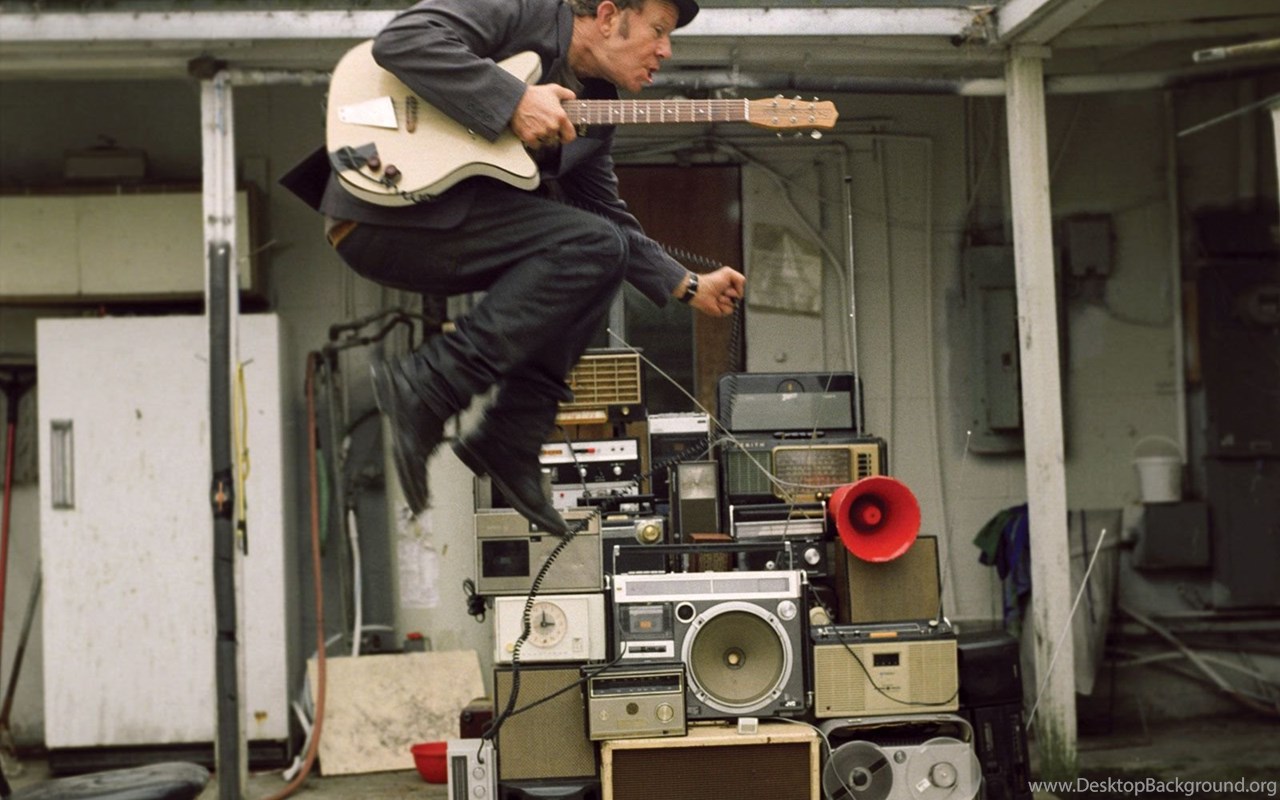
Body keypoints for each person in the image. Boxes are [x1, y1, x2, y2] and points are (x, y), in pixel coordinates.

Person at [285, 0, 746, 535]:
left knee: (601, 249)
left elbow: (605, 216)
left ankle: (511, 435)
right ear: (607, 15)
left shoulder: (596, 111)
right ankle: (430, 386)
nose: (665, 50)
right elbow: (403, 39)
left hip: (439, 233)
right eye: (659, 30)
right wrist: (513, 100)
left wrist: (686, 284)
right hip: (382, 215)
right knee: (595, 246)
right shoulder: (524, 11)